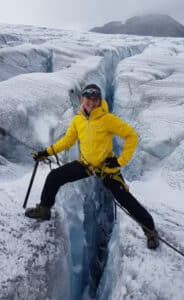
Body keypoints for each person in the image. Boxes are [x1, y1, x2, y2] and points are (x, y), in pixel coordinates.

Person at [25, 84, 159, 250]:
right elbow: (67, 141)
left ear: (99, 101)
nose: (91, 102)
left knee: (124, 198)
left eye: (94, 99)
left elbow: (131, 135)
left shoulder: (107, 119)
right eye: (88, 98)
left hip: (106, 168)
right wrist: (46, 152)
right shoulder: (78, 120)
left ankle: (150, 229)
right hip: (86, 165)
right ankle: (44, 210)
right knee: (54, 177)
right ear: (83, 99)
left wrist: (119, 161)